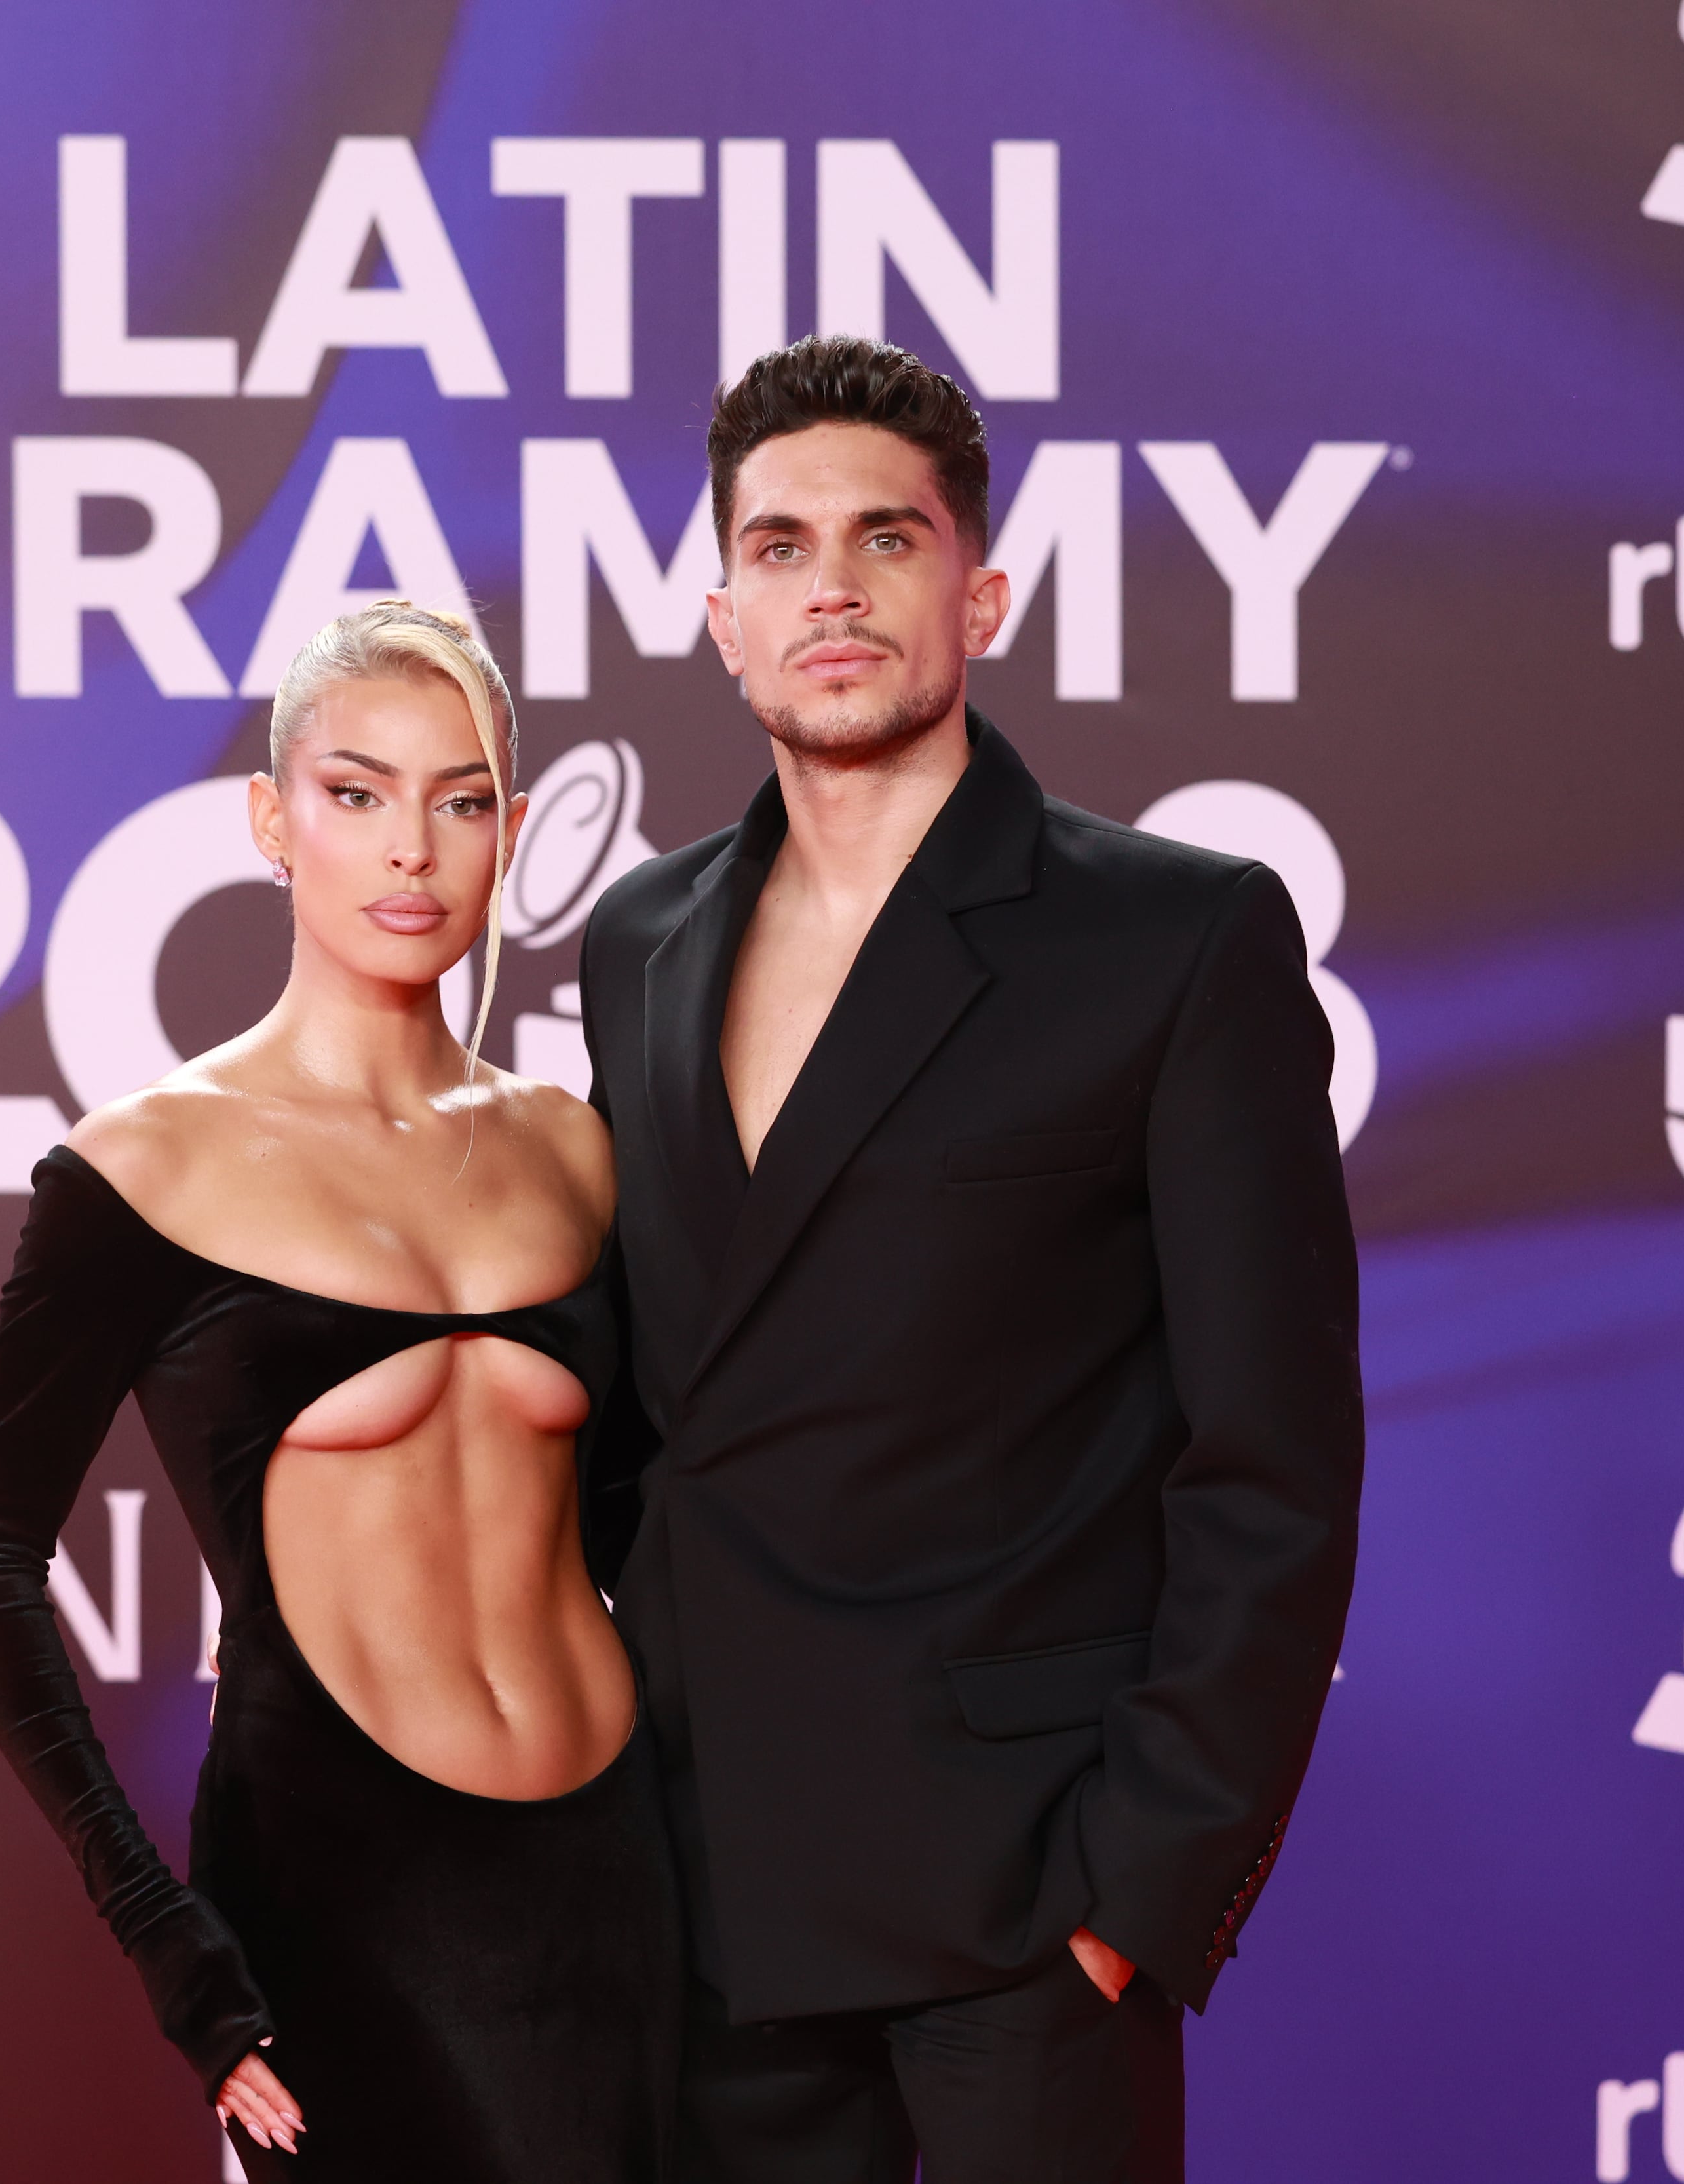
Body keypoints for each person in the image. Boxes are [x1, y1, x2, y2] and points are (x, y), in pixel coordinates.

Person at [573, 338, 1364, 2184]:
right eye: (777, 547)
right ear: (719, 613)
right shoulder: (637, 939)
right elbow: (653, 1397)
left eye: (884, 538)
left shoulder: (1176, 938)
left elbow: (1274, 1460)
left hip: (1023, 1902)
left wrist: (1140, 1883)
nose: (829, 586)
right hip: (707, 1886)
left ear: (980, 591)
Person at [0, 603, 676, 2182]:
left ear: (515, 833)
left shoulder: (581, 1149)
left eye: (461, 799)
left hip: (624, 1878)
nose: (413, 847)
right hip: (343, 1898)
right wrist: (161, 1930)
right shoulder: (143, 1164)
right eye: (357, 792)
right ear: (273, 820)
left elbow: (658, 1517)